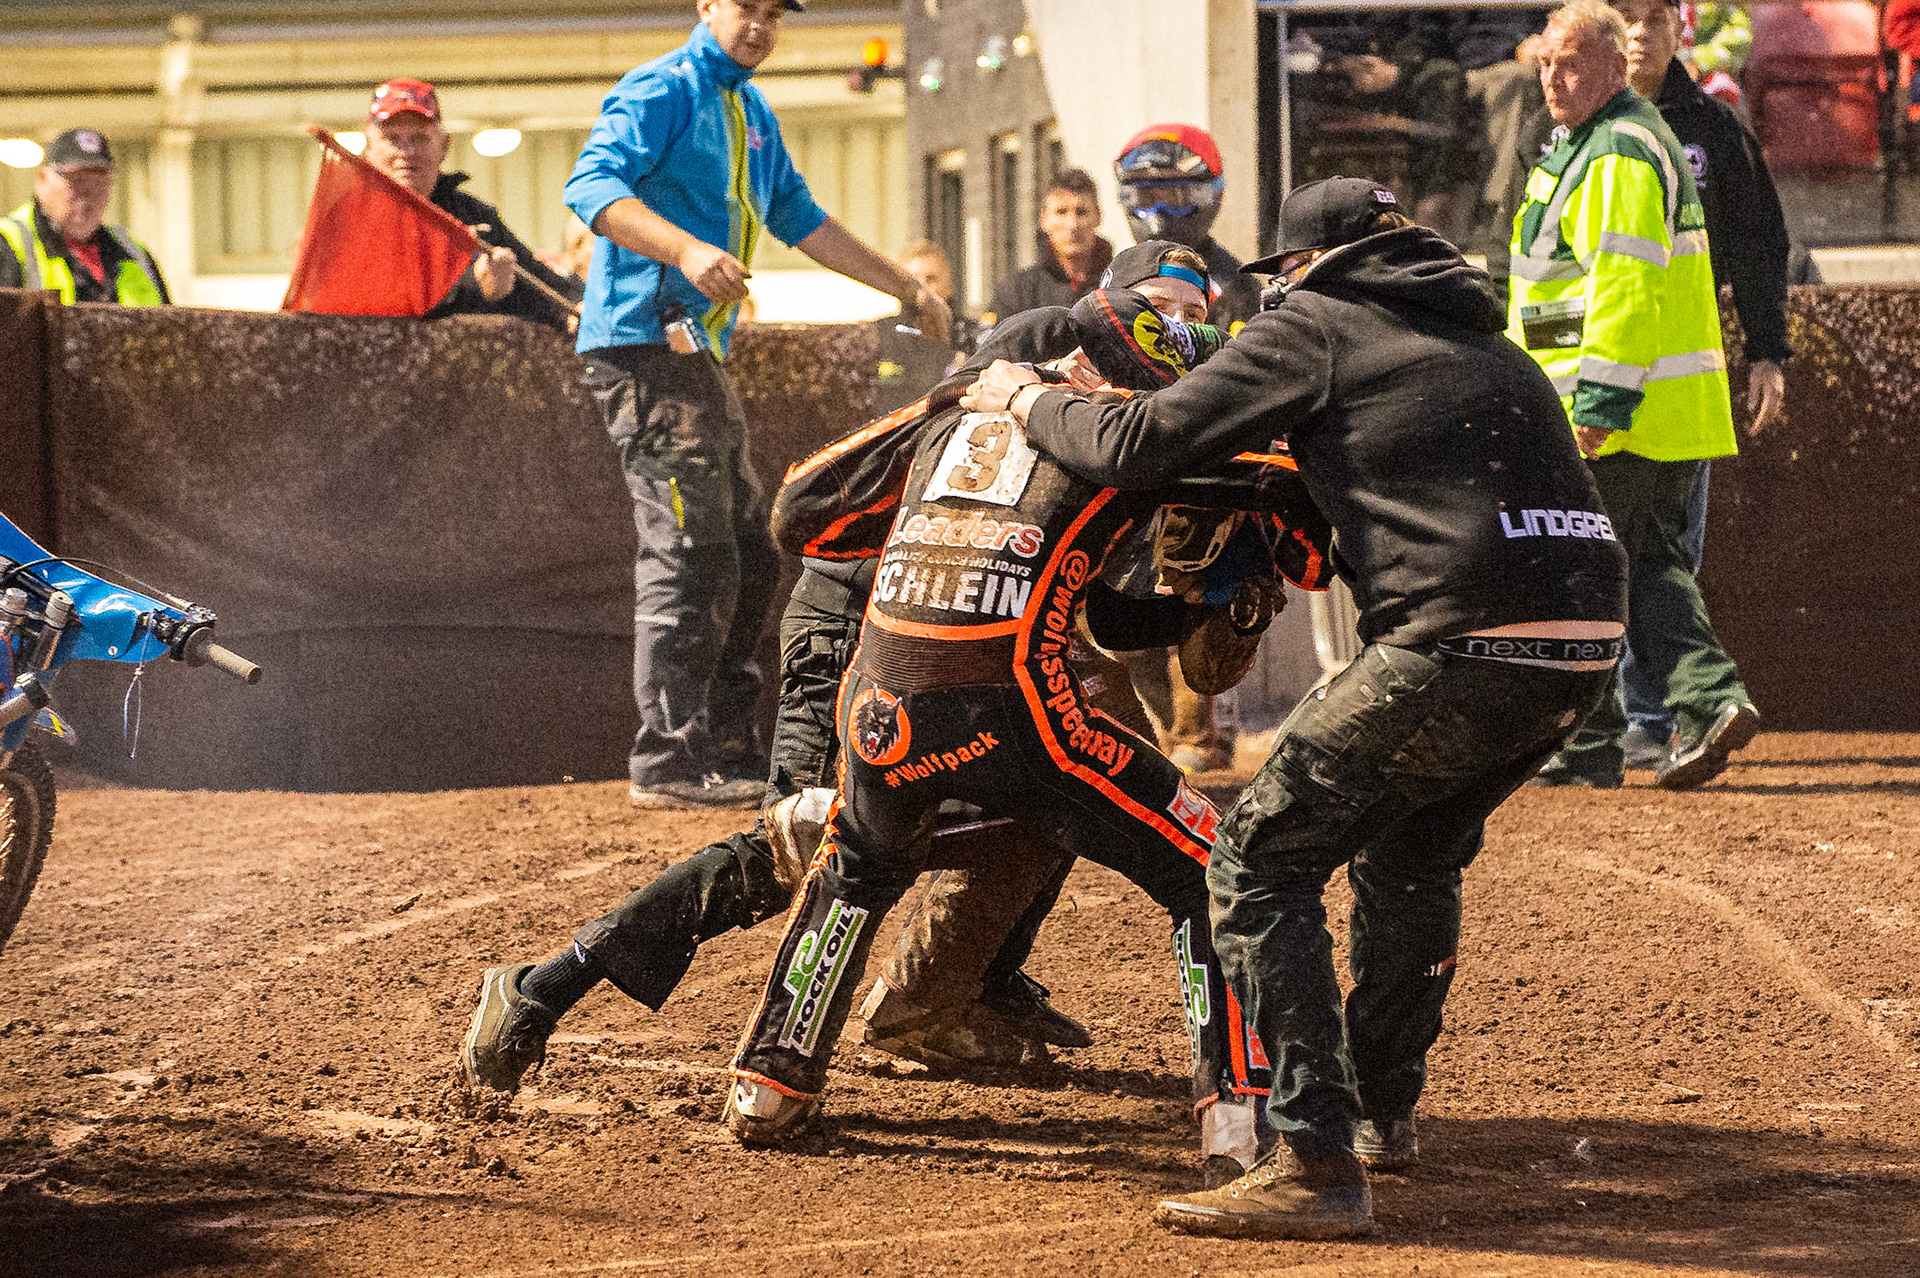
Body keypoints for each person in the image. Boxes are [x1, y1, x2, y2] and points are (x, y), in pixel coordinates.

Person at [964, 176, 1628, 1238]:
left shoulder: (1319, 321)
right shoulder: (1487, 340)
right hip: (1585, 643)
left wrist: (1022, 400)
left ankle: (1314, 1156)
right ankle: (1380, 1112)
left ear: (1300, 267)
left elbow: (1141, 444)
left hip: (1455, 641)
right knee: (1412, 852)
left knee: (1256, 858)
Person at [457, 300, 1203, 1112]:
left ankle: (960, 994)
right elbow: (805, 514)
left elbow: (1106, 613)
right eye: (1166, 313)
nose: (1176, 334)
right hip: (852, 624)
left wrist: (1206, 604)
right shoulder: (1028, 380)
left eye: (1195, 316)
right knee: (805, 842)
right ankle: (542, 986)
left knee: (1054, 788)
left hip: (950, 646)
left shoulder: (1102, 424)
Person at [725, 283, 1330, 1192]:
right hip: (1015, 710)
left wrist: (932, 427)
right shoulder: (1128, 432)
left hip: (879, 707)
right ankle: (1238, 1124)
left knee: (856, 864)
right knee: (1209, 861)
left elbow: (799, 510)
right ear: (1138, 379)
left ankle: (768, 1086)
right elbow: (1306, 539)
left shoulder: (951, 411)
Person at [562, 0, 951, 808]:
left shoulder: (749, 109)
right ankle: (667, 760)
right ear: (707, 6)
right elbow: (590, 184)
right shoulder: (662, 87)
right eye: (748, 8)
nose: (761, 25)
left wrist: (904, 285)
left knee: (744, 537)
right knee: (692, 544)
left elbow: (799, 218)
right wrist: (687, 247)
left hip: (691, 356)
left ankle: (726, 748)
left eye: (775, 13)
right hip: (641, 349)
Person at [1510, 1, 1758, 791]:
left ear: (1615, 66)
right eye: (1546, 62)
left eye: (1572, 62)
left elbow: (1622, 287)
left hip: (1619, 411)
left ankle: (1590, 744)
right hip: (1654, 411)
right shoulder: (1599, 142)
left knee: (1582, 573)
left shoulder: (1615, 150)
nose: (1554, 77)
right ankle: (1702, 702)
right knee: (1642, 564)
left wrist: (1598, 408)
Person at [1607, 0, 1790, 770]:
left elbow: (1757, 241)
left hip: (1681, 376)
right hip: (1578, 373)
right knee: (1594, 545)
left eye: (1654, 16)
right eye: (1624, 16)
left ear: (1682, 28)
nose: (1641, 33)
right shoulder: (1556, 125)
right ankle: (1603, 722)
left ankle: (1655, 715)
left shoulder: (1713, 128)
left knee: (1668, 545)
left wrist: (1768, 352)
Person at [1112, 125, 1260, 775]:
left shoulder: (1240, 283)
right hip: (1133, 455)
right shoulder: (1116, 274)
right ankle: (1155, 730)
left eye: (1176, 192)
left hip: (1215, 463)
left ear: (1208, 194)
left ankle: (1202, 729)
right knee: (1121, 606)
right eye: (1149, 193)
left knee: (1207, 596)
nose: (1162, 208)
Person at [359, 79, 583, 333]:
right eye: (393, 139)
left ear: (444, 147)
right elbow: (374, 297)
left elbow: (539, 281)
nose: (407, 151)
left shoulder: (474, 215)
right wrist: (474, 286)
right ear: (369, 148)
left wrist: (575, 305)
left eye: (420, 138)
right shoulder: (349, 220)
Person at [1113, 124, 1263, 330]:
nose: (1160, 210)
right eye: (1148, 197)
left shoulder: (1235, 287)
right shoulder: (1117, 278)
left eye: (1175, 197)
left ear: (1211, 196)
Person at [0, 129, 168, 306]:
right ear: (43, 180)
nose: (88, 194)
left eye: (99, 182)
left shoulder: (135, 253)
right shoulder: (7, 244)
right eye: (77, 181)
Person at [985, 168, 1112, 321]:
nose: (1073, 225)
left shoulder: (1120, 284)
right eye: (1061, 212)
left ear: (1098, 217)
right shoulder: (1017, 292)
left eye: (1081, 212)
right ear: (1044, 219)